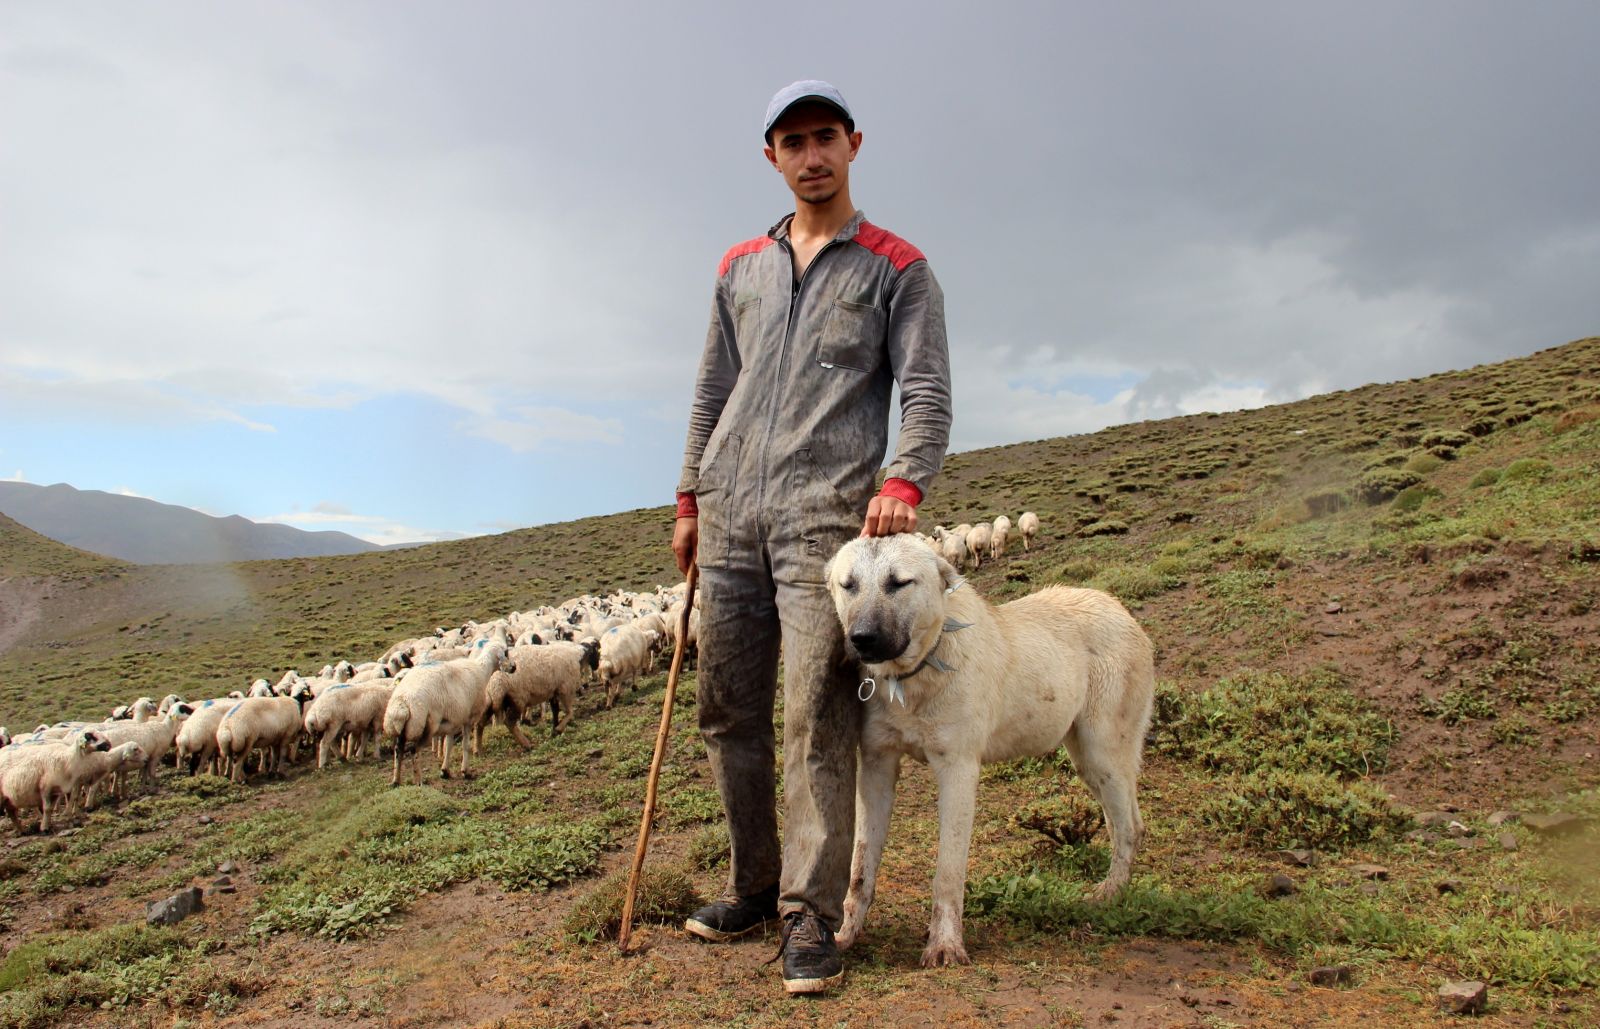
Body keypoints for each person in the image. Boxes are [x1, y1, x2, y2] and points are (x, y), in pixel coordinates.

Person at [671, 79, 952, 994]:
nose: (812, 154)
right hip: (728, 517)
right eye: (794, 142)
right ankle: (752, 883)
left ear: (854, 144)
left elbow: (927, 391)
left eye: (826, 136)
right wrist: (687, 496)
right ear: (773, 158)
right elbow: (713, 391)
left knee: (817, 714)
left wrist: (904, 478)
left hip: (825, 526)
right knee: (728, 709)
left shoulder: (898, 268)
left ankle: (810, 914)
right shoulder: (737, 268)